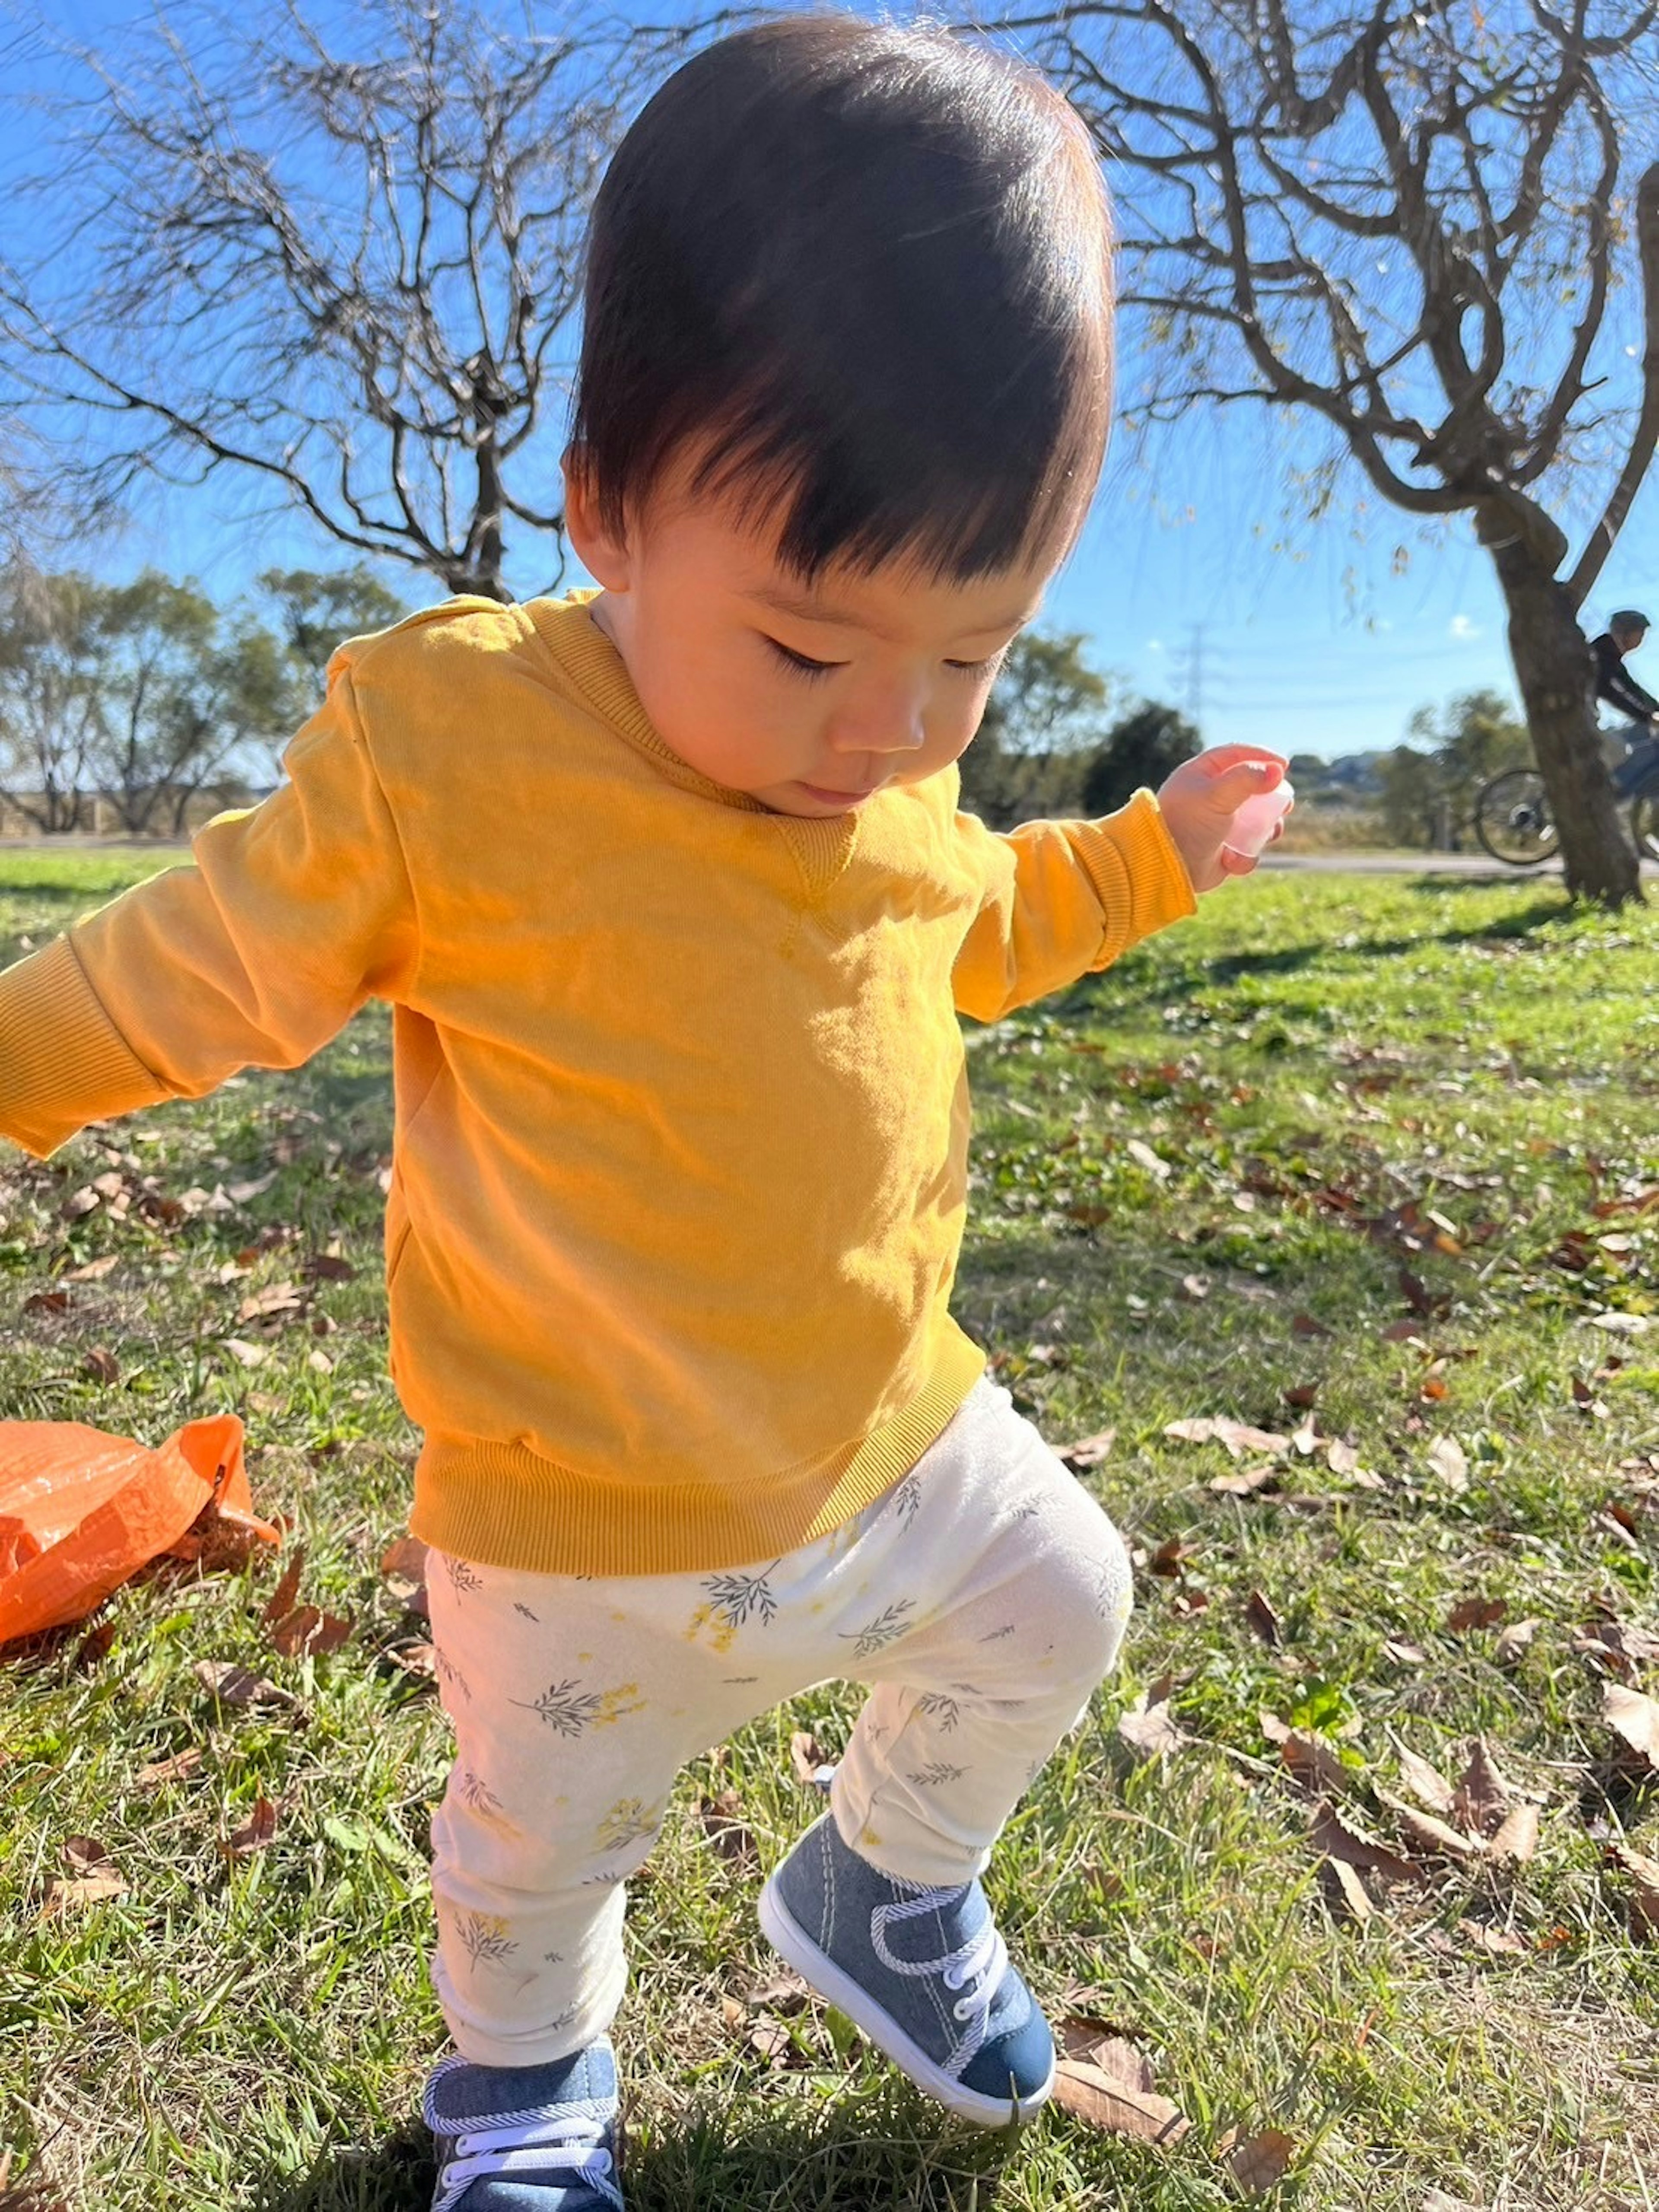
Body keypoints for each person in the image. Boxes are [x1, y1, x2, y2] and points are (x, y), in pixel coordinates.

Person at [0, 19, 1287, 2208]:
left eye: (969, 660)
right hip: (574, 1519)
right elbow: (192, 963)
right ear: (608, 507)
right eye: (803, 647)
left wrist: (1151, 851)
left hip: (892, 1434)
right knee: (537, 1850)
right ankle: (522, 2092)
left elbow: (993, 909)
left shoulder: (896, 789)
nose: (884, 727)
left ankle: (885, 1886)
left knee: (1067, 1601)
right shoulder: (462, 748)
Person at [1591, 609, 1659, 793]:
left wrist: (1656, 709)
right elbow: (1609, 691)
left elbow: (1632, 689)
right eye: (1641, 633)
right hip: (1574, 718)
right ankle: (1589, 796)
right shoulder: (1601, 653)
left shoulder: (1610, 653)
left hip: (1583, 718)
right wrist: (1646, 717)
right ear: (1626, 633)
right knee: (1619, 751)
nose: (1642, 640)